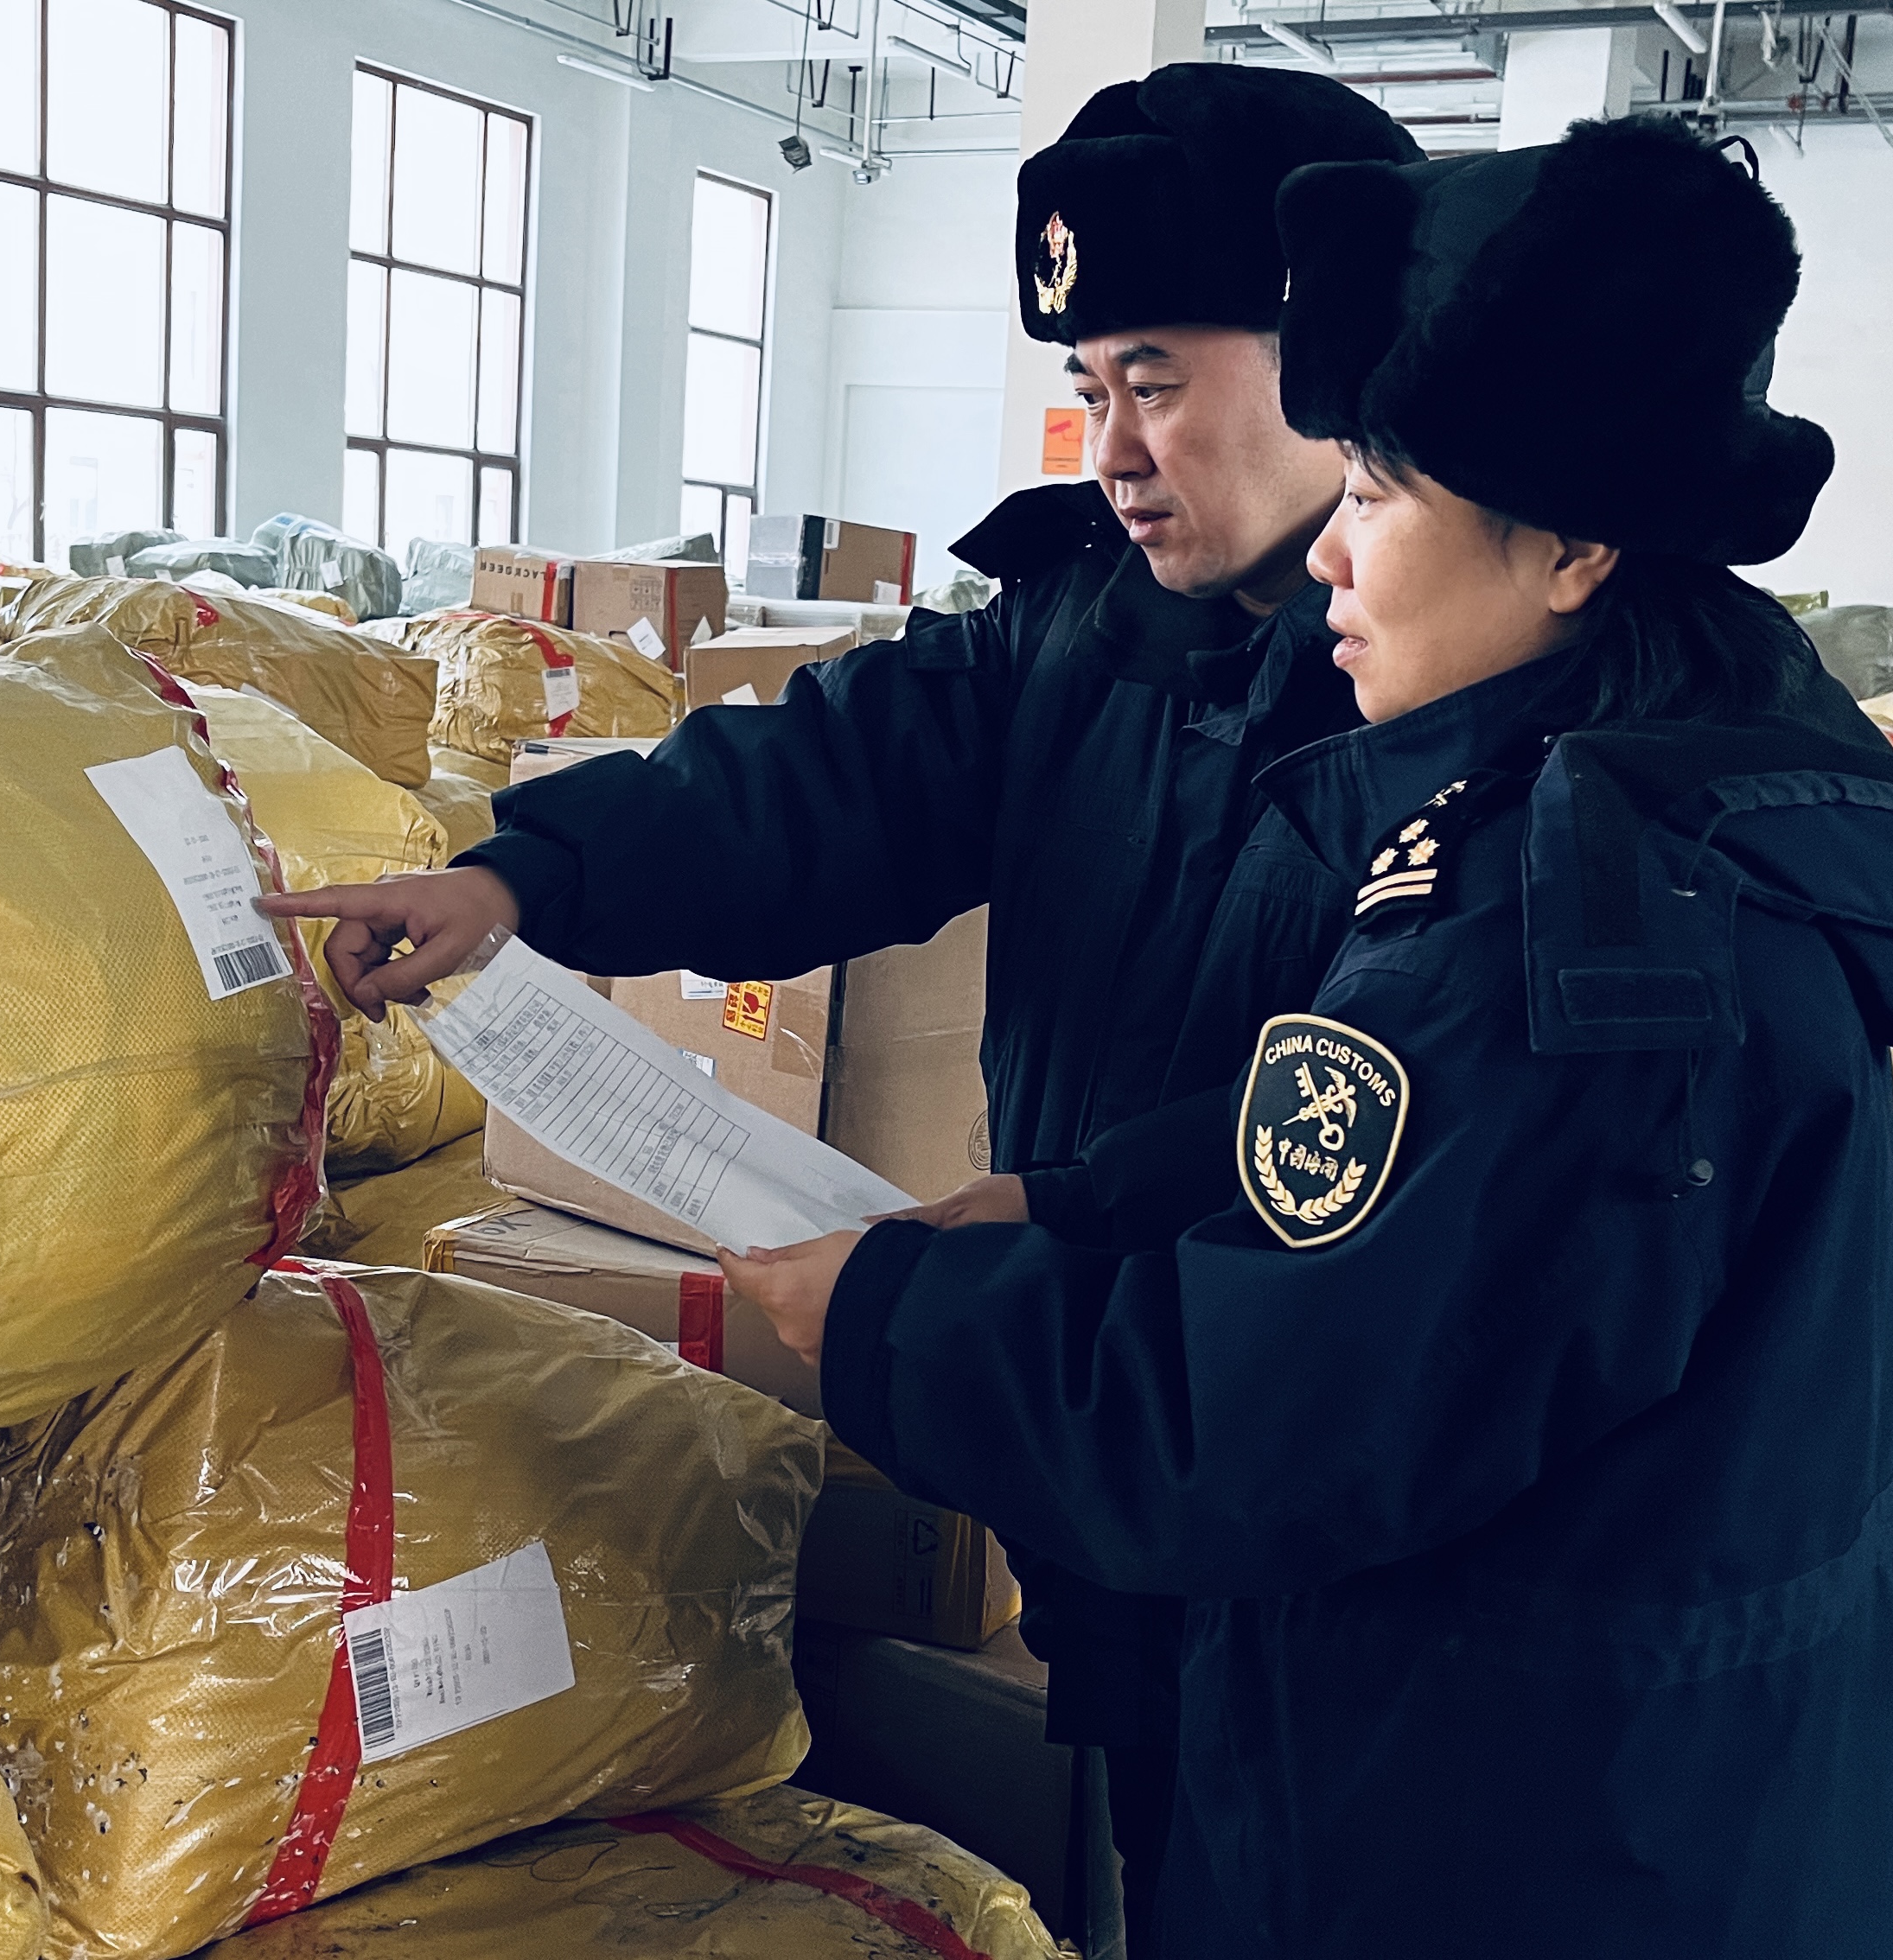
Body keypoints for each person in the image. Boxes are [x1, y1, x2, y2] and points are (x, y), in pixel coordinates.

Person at [717, 119, 1893, 1954]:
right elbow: (1404, 1171)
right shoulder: (1602, 813)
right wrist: (1079, 1200)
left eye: (1374, 492)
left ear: (1573, 544)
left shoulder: (1594, 943)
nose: (1333, 559)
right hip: (1583, 1799)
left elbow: (1264, 1421)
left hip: (1525, 1856)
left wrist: (882, 1321)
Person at [262, 64, 1420, 1956]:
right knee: (1166, 1830)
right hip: (1097, 1421)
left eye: (1157, 379)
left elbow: (1391, 1139)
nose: (1115, 451)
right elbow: (827, 781)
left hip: (1305, 1471)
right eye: (1093, 388)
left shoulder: (1438, 695)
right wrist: (524, 878)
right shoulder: (1083, 631)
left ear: (1337, 350)